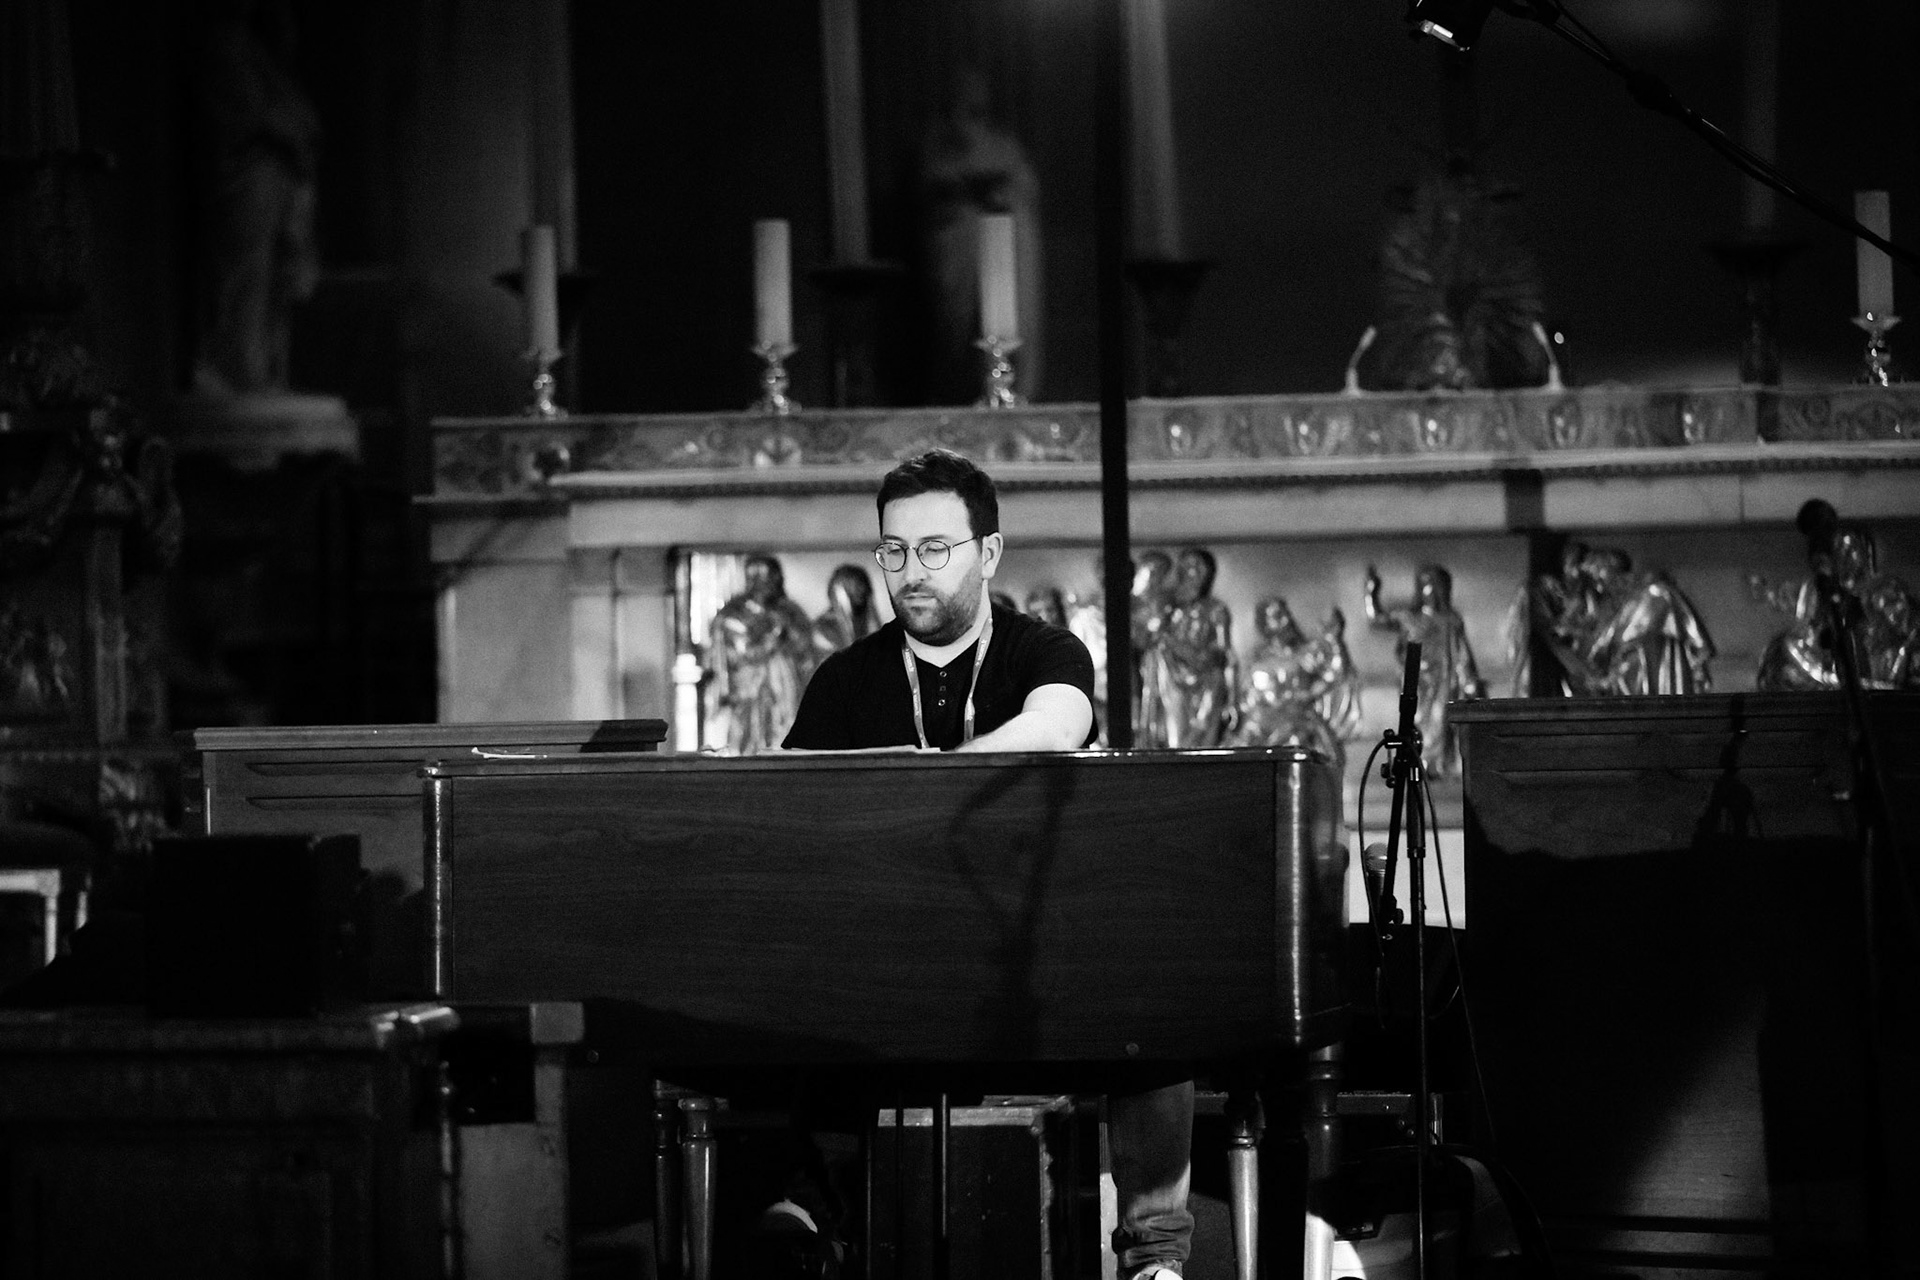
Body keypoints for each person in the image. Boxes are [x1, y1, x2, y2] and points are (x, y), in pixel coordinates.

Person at [783, 449, 1193, 1280]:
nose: (910, 573)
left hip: (1032, 975)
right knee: (788, 990)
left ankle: (1155, 1262)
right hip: (888, 972)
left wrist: (941, 780)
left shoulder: (1042, 650)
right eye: (893, 551)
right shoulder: (843, 680)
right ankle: (799, 1227)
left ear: (989, 555)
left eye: (935, 549)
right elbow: (791, 813)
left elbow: (1061, 722)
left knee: (1157, 1007)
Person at [1363, 563, 1485, 777]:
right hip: (1416, 682)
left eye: (1432, 584)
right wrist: (1371, 593)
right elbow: (1377, 619)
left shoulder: (1450, 620)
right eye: (1424, 584)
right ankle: (1419, 767)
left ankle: (1436, 768)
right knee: (1415, 724)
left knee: (1439, 723)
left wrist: (1468, 680)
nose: (1427, 589)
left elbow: (1461, 653)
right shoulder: (1409, 618)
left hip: (1443, 679)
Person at [707, 554, 815, 755]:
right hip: (750, 691)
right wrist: (774, 634)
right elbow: (745, 653)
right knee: (749, 738)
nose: (766, 584)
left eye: (771, 578)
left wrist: (787, 629)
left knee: (786, 736)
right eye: (759, 578)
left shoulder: (790, 611)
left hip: (786, 691)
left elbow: (805, 650)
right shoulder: (734, 613)